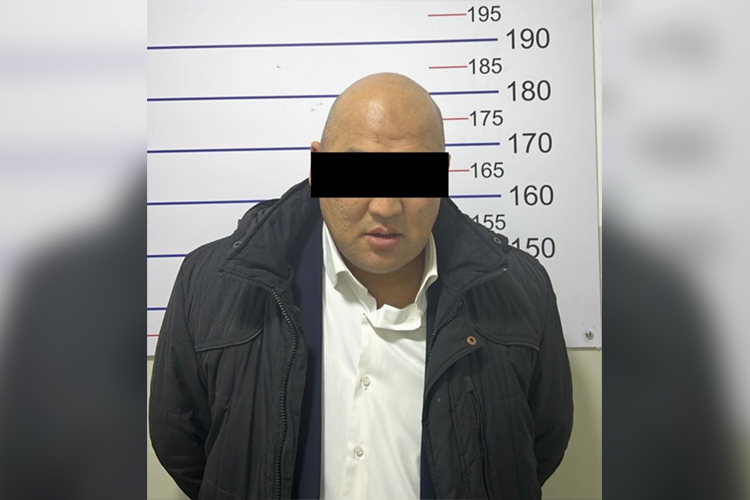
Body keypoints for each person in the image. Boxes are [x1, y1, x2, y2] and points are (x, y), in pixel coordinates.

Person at [149, 72, 573, 500]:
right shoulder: (212, 284)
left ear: (442, 173)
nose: (385, 206)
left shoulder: (521, 291)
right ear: (318, 168)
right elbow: (183, 443)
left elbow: (533, 451)